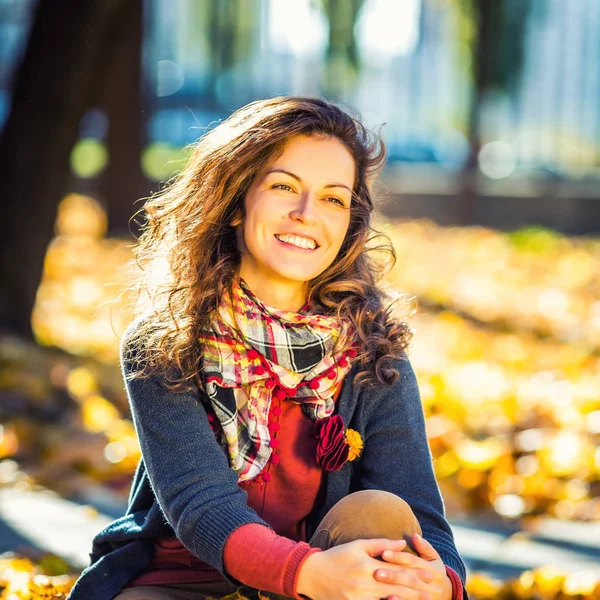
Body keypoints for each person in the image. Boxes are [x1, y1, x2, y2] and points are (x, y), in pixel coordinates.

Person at [67, 96, 468, 600]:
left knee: (381, 516)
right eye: (284, 187)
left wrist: (441, 579)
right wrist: (304, 574)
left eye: (332, 199)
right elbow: (201, 504)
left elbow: (423, 517)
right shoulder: (166, 343)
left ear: (349, 224)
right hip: (186, 581)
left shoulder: (374, 353)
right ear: (236, 202)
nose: (306, 215)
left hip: (332, 578)